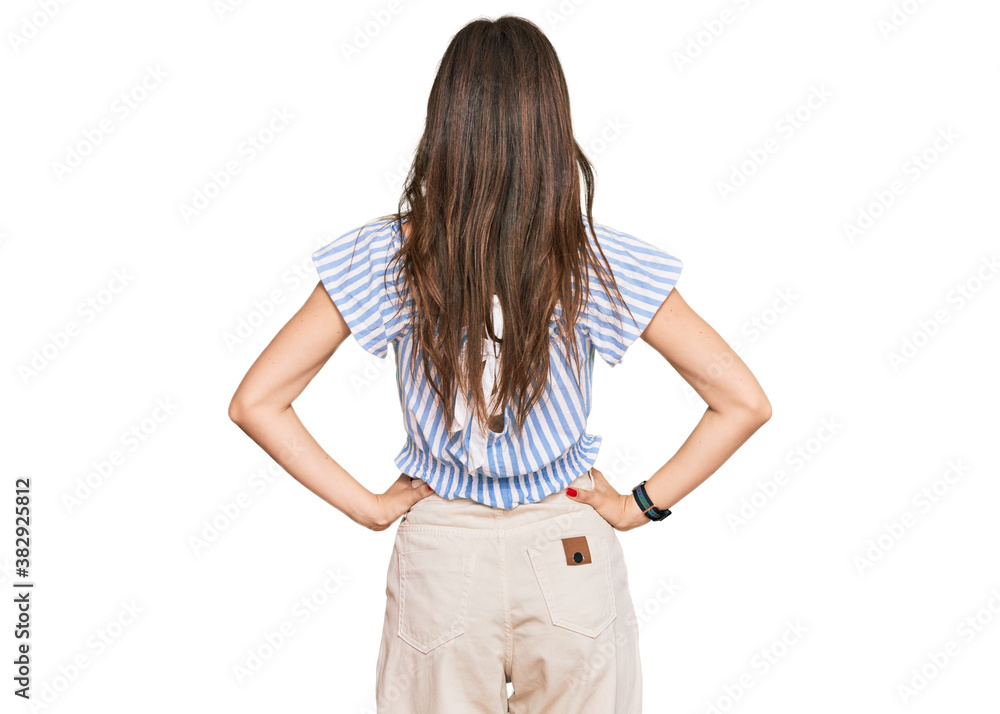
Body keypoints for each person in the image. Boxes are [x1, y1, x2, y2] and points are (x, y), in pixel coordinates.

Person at [228, 14, 771, 713]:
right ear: (551, 127)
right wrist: (638, 506)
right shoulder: (594, 262)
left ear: (445, 123)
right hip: (568, 540)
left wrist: (369, 508)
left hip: (442, 552)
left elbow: (257, 401)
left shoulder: (388, 255)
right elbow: (743, 402)